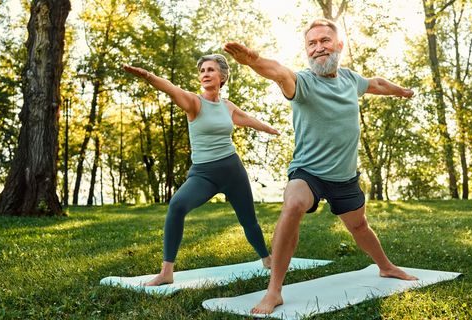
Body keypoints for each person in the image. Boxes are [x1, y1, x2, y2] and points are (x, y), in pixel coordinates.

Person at [224, 18, 418, 314]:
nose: (318, 48)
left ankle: (386, 266)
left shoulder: (351, 80)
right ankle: (274, 290)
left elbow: (376, 83)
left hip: (344, 177)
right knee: (293, 204)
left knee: (359, 226)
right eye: (311, 44)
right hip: (309, 173)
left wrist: (401, 91)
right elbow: (278, 72)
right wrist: (253, 61)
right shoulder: (302, 82)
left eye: (324, 41)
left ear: (339, 45)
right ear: (306, 51)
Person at [122, 54, 279, 286]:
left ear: (222, 77)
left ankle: (266, 259)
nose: (205, 74)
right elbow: (172, 89)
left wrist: (269, 129)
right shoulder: (194, 103)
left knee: (248, 220)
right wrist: (148, 76)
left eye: (211, 70)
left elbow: (247, 119)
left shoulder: (227, 106)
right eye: (202, 70)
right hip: (204, 174)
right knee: (177, 206)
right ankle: (166, 272)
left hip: (232, 170)